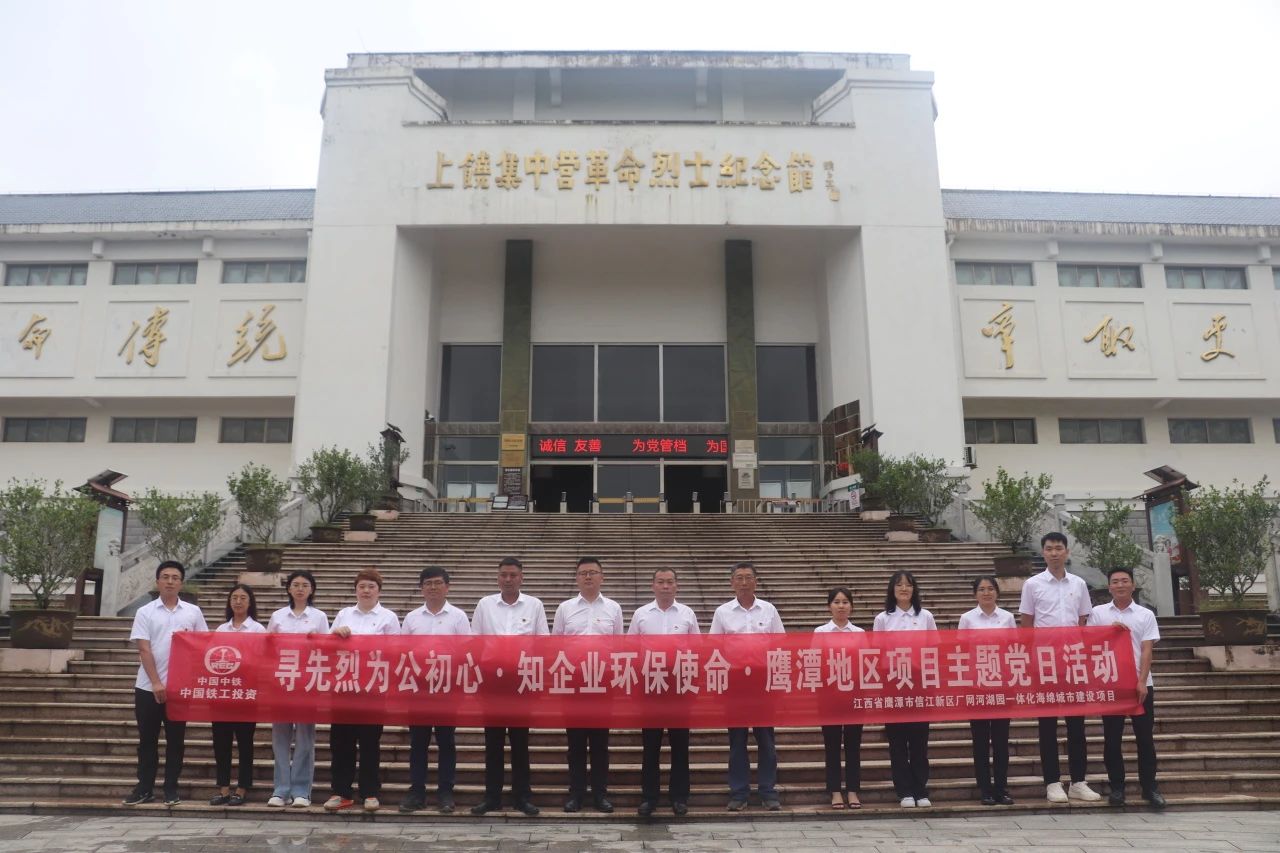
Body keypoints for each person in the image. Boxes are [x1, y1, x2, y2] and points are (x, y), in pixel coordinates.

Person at [1019, 531, 1101, 804]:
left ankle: (1078, 782)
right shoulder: (1032, 585)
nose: (1054, 553)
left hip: (1073, 661)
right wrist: (1030, 660)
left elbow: (1083, 621)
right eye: (1049, 548)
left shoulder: (1079, 584)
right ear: (1043, 552)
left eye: (1058, 548)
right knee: (1047, 725)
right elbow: (1027, 625)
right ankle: (1053, 782)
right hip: (1045, 663)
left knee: (1077, 724)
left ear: (1067, 551)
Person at [123, 560, 209, 807]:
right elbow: (144, 648)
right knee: (147, 740)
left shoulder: (193, 612)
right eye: (165, 577)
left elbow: (202, 645)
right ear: (157, 581)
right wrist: (156, 683)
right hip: (147, 687)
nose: (170, 581)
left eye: (175, 577)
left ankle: (171, 788)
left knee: (176, 740)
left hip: (180, 689)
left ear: (181, 583)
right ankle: (144, 788)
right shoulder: (145, 612)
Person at [469, 556, 548, 817]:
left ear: (521, 578)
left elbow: (542, 643)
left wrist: (536, 680)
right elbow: (475, 641)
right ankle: (491, 797)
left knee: (520, 742)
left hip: (521, 680)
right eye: (503, 575)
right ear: (497, 577)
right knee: (493, 743)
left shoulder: (534, 605)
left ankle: (522, 797)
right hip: (492, 680)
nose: (508, 579)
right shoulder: (485, 604)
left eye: (513, 575)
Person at [709, 561, 785, 811]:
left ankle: (768, 791)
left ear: (756, 581)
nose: (744, 582)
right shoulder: (722, 612)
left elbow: (781, 644)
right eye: (739, 578)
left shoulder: (769, 610)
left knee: (766, 740)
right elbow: (714, 648)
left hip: (763, 683)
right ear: (732, 582)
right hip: (735, 683)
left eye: (748, 577)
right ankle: (739, 792)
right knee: (737, 740)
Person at [1088, 566, 1166, 809]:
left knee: (1145, 739)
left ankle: (1150, 788)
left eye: (1124, 581)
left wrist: (1141, 681)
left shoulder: (1145, 614)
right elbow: (1090, 643)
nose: (1120, 585)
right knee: (1112, 739)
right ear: (1109, 586)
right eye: (1115, 581)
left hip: (1141, 685)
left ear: (1133, 585)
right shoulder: (1098, 613)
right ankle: (1117, 788)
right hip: (1112, 684)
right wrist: (1109, 632)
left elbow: (1147, 650)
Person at [323, 568, 400, 813]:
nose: (366, 591)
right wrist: (336, 634)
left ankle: (369, 792)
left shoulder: (388, 617)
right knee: (341, 741)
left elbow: (395, 650)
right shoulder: (344, 614)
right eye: (362, 587)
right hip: (344, 686)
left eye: (371, 587)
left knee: (369, 742)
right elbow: (328, 646)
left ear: (379, 591)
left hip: (372, 688)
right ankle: (341, 792)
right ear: (356, 590)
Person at [553, 556, 624, 813]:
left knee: (600, 743)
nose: (588, 577)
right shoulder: (565, 608)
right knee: (575, 742)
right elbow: (555, 644)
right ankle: (576, 794)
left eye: (593, 572)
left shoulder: (613, 608)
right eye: (583, 573)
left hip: (603, 682)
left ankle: (600, 794)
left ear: (602, 577)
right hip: (573, 683)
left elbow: (619, 646)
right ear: (576, 578)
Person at [628, 568, 701, 817]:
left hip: (680, 686)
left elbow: (697, 649)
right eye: (661, 582)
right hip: (650, 686)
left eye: (670, 582)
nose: (665, 586)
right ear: (653, 585)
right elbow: (631, 649)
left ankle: (679, 797)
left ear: (676, 586)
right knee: (651, 746)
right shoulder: (641, 614)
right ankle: (649, 797)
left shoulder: (687, 613)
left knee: (680, 745)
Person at [399, 565, 471, 814]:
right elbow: (402, 652)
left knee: (446, 741)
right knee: (418, 742)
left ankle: (445, 792)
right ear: (421, 589)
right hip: (418, 687)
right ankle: (416, 791)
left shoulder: (458, 617)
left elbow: (465, 652)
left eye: (438, 583)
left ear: (447, 587)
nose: (433, 587)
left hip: (447, 686)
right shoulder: (412, 618)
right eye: (428, 583)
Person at [873, 570, 937, 808]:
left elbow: (935, 649)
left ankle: (920, 789)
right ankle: (904, 791)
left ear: (914, 589)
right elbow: (877, 652)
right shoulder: (883, 619)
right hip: (893, 683)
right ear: (892, 589)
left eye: (908, 585)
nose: (903, 588)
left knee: (919, 741)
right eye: (899, 584)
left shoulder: (925, 616)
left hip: (919, 683)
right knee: (897, 742)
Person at [266, 569, 328, 808]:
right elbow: (267, 648)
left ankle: (301, 791)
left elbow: (328, 650)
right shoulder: (278, 616)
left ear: (311, 590)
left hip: (307, 683)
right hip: (281, 683)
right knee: (280, 738)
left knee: (304, 738)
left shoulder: (319, 617)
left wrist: (317, 640)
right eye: (296, 585)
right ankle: (280, 789)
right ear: (289, 589)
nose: (300, 589)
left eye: (305, 585)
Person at [957, 575, 1017, 806]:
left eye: (990, 588)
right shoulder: (967, 619)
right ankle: (985, 789)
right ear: (975, 594)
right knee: (980, 741)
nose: (986, 593)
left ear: (997, 592)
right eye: (981, 589)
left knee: (1001, 741)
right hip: (977, 685)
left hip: (1002, 685)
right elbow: (960, 651)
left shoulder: (1007, 618)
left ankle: (1001, 788)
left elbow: (1014, 649)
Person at [209, 583, 266, 806]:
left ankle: (242, 788)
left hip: (246, 693)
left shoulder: (258, 629)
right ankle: (223, 788)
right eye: (234, 597)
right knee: (221, 742)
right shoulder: (221, 629)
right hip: (223, 692)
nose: (238, 601)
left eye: (243, 598)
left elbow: (262, 659)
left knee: (245, 743)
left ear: (250, 602)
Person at [815, 586, 864, 810]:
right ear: (829, 606)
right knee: (832, 744)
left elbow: (866, 662)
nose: (841, 606)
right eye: (836, 602)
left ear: (851, 606)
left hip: (854, 695)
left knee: (853, 744)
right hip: (829, 696)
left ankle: (853, 790)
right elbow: (814, 662)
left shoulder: (859, 633)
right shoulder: (821, 632)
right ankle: (835, 790)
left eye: (845, 602)